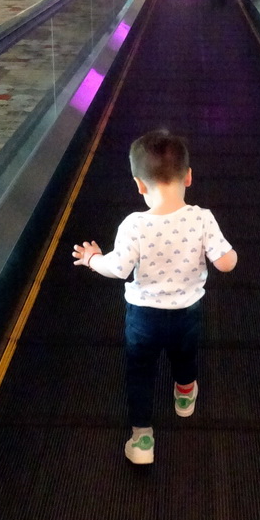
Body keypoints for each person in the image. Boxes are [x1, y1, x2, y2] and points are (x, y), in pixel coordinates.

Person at [72, 130, 236, 464]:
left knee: (140, 371)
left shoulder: (134, 225)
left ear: (139, 185)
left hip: (144, 317)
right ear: (188, 177)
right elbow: (226, 262)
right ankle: (185, 395)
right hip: (187, 312)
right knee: (185, 355)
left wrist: (92, 259)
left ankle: (142, 439)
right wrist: (223, 256)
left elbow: (117, 269)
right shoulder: (202, 218)